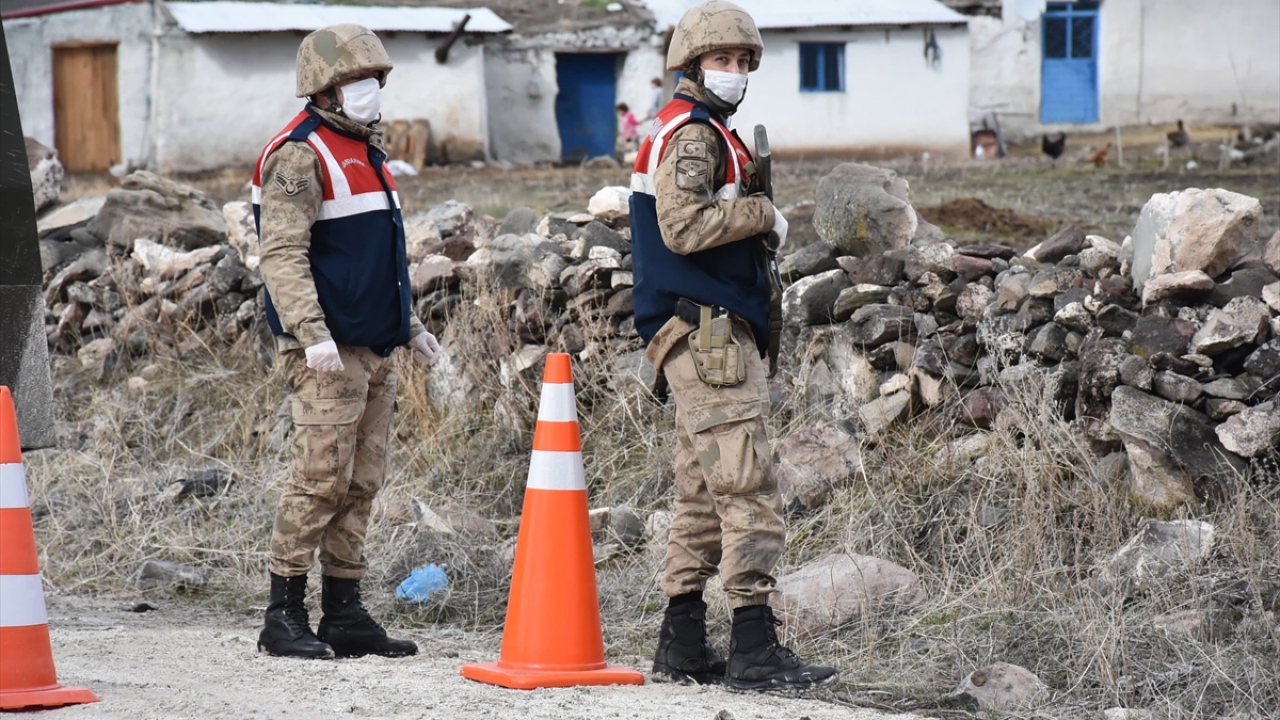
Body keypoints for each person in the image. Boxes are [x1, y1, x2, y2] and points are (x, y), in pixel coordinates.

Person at [628, 0, 839, 692]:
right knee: (747, 485)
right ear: (691, 66)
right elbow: (683, 226)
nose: (737, 72)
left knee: (699, 492)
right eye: (723, 60)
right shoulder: (695, 134)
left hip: (693, 329)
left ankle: (682, 642)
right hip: (709, 330)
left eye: (745, 61)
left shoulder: (701, 127)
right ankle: (754, 646)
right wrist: (766, 214)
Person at [251, 23, 442, 660]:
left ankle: (344, 611)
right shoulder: (299, 154)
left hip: (374, 344)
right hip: (326, 350)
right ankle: (283, 614)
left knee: (362, 481)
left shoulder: (367, 150)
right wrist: (310, 335)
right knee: (319, 478)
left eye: (374, 79)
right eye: (355, 79)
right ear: (325, 87)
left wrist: (409, 325)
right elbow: (282, 254)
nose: (369, 89)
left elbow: (378, 255)